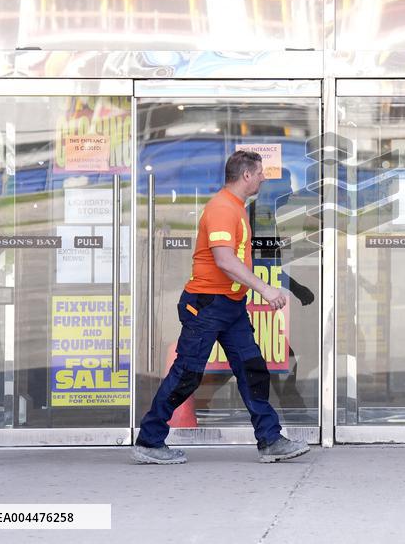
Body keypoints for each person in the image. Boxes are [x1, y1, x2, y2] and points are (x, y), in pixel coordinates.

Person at [133, 149, 313, 464]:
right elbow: (224, 259)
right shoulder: (222, 209)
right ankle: (149, 440)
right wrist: (265, 289)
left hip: (229, 306)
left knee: (252, 370)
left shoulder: (237, 208)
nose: (262, 177)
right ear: (246, 175)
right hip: (207, 306)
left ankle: (270, 439)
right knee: (187, 373)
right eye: (260, 173)